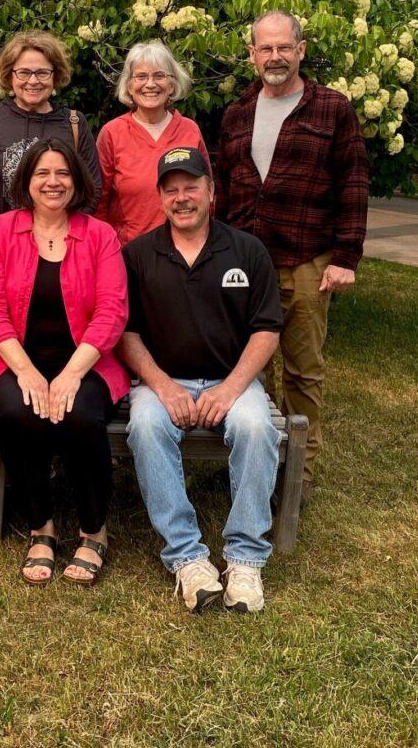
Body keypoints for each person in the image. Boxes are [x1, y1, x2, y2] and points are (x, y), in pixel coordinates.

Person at [214, 10, 369, 506]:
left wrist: (346, 256)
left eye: (285, 47)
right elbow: (222, 184)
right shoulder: (237, 112)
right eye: (266, 48)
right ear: (252, 54)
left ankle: (298, 470)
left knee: (302, 369)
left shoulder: (332, 109)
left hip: (306, 259)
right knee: (246, 368)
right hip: (244, 263)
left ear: (300, 50)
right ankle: (248, 457)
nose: (275, 57)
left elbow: (354, 184)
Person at [120, 147, 283, 613]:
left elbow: (267, 329)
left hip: (232, 380)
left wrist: (230, 388)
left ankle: (246, 559)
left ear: (212, 192)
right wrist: (163, 386)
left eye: (191, 187)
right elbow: (125, 333)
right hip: (161, 381)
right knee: (146, 427)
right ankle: (187, 558)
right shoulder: (138, 255)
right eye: (171, 190)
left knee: (256, 428)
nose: (182, 198)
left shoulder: (247, 250)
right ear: (160, 198)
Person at [0, 138, 129, 587]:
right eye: (42, 173)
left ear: (76, 181)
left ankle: (94, 529)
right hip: (15, 358)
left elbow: (112, 310)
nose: (53, 182)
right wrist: (25, 371)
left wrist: (71, 375)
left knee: (79, 416)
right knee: (19, 412)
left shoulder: (100, 235)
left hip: (87, 361)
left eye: (62, 173)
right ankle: (41, 527)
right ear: (27, 181)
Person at [0, 32, 101, 231]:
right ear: (9, 75)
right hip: (1, 246)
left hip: (61, 247)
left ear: (55, 75)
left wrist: (58, 234)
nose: (33, 81)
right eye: (23, 72)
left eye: (42, 73)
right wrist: (4, 235)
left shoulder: (74, 123)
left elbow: (91, 189)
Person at [96, 40, 210, 244]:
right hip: (129, 254)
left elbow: (207, 192)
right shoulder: (112, 133)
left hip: (187, 249)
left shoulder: (189, 129)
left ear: (172, 84)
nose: (150, 84)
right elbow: (98, 202)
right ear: (129, 85)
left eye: (159, 76)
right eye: (141, 76)